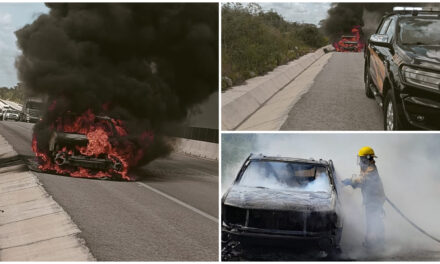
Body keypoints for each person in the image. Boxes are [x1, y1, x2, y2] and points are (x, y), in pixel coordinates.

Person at [342, 146, 385, 253]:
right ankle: (375, 243)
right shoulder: (367, 168)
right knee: (373, 221)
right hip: (372, 200)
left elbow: (361, 181)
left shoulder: (371, 170)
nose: (360, 161)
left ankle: (374, 245)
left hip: (374, 201)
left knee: (373, 221)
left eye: (362, 159)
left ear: (367, 158)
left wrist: (349, 181)